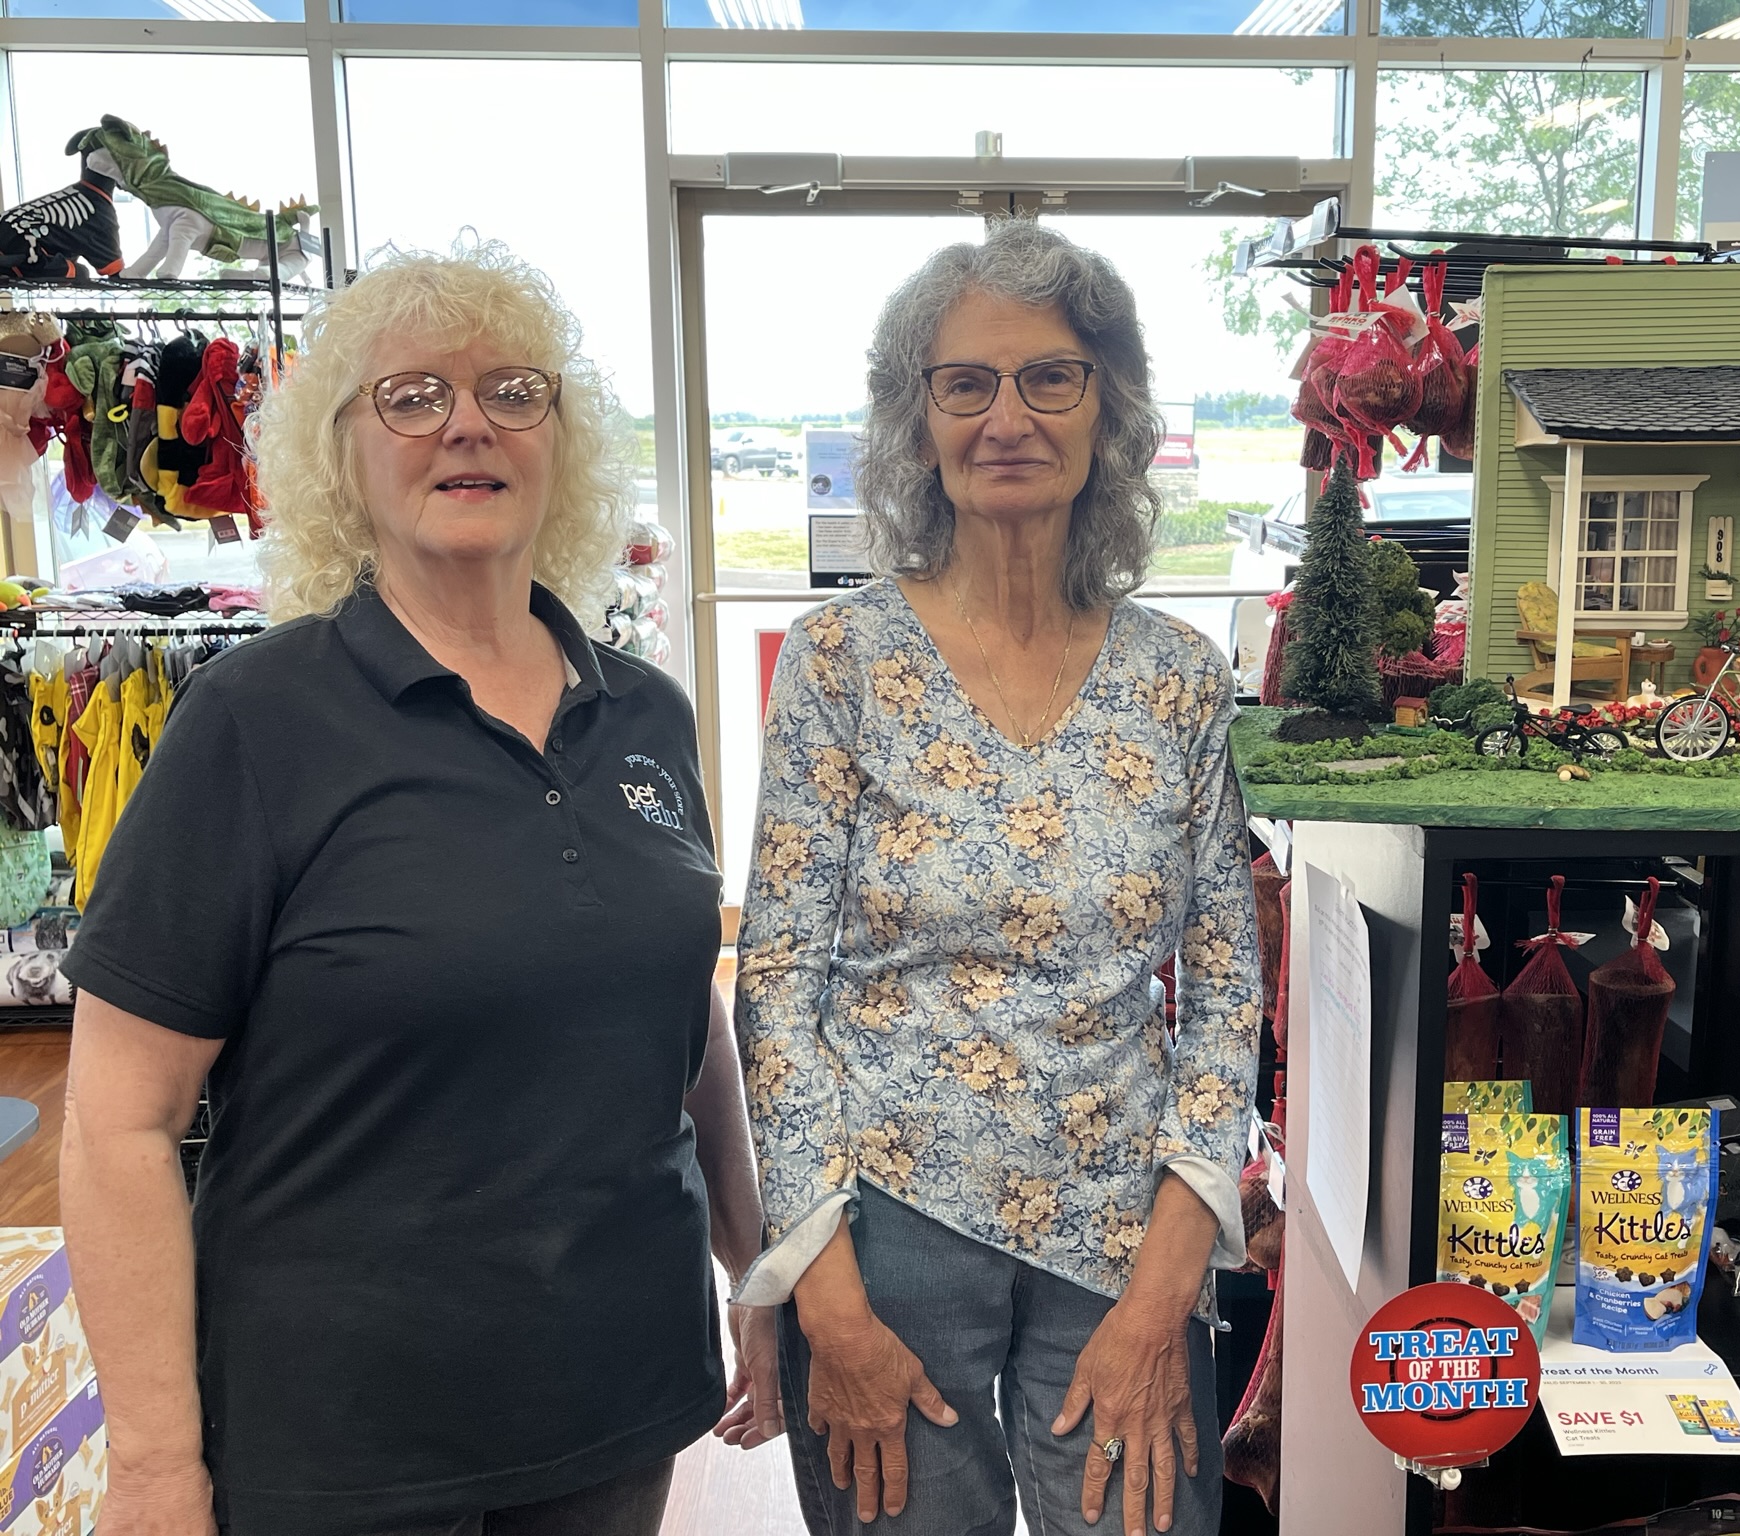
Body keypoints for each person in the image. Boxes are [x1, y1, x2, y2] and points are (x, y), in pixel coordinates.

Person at [58, 243, 781, 1536]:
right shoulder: (255, 723)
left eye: (514, 392)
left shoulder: (647, 716)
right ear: (342, 454)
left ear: (563, 444)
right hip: (343, 1444)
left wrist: (754, 1262)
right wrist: (158, 1467)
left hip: (614, 1402)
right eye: (411, 396)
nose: (467, 423)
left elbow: (685, 1013)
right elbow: (118, 1123)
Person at [732, 218, 1262, 1536]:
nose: (1006, 415)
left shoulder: (1178, 677)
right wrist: (825, 1296)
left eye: (1050, 377)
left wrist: (1165, 1293)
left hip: (1126, 1230)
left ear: (1108, 409)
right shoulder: (839, 663)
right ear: (919, 421)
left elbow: (1228, 988)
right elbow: (778, 988)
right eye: (964, 383)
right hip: (885, 1229)